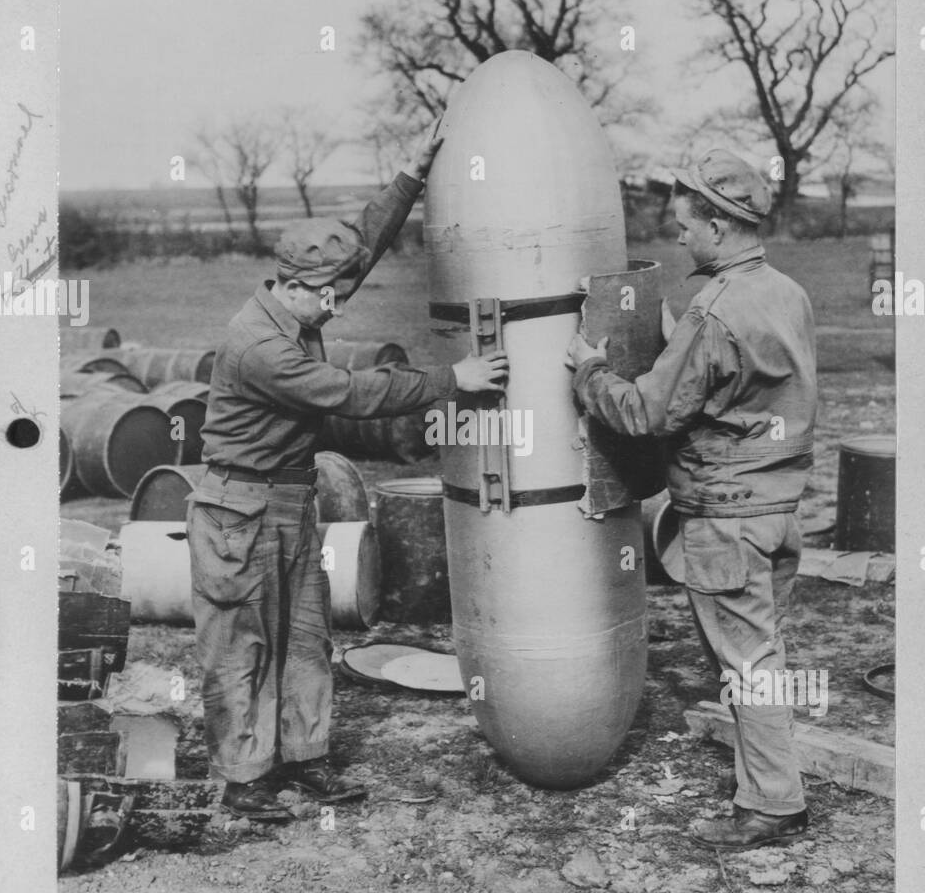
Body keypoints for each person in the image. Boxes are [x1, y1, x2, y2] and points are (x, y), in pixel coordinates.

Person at [187, 121, 508, 823]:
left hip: (290, 504)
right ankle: (245, 782)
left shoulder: (301, 301)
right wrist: (454, 378)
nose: (340, 303)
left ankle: (305, 760)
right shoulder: (262, 349)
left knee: (306, 640)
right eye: (329, 295)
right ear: (296, 284)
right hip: (236, 514)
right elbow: (355, 395)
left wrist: (411, 175)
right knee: (243, 647)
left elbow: (362, 244)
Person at [566, 148, 818, 851]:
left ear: (718, 221)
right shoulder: (783, 292)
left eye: (685, 225)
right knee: (761, 653)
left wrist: (588, 371)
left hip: (726, 516)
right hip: (777, 508)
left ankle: (772, 805)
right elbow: (746, 382)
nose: (677, 238)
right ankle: (770, 788)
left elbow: (647, 412)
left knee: (747, 666)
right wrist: (687, 344)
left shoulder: (716, 309)